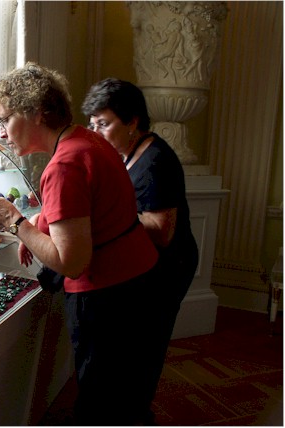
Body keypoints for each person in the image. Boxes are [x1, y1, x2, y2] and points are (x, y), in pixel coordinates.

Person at [0, 62, 160, 425]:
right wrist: (38, 223)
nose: (2, 132)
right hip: (136, 283)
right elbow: (84, 206)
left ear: (36, 112)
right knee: (127, 395)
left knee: (101, 404)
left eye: (6, 119)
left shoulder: (64, 165)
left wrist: (16, 222)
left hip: (108, 296)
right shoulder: (86, 140)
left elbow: (71, 263)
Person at [82, 77, 199, 424]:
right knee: (131, 352)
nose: (96, 133)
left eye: (104, 124)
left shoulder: (156, 160)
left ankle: (135, 416)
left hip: (168, 267)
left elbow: (161, 231)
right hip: (147, 266)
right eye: (92, 125)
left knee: (145, 350)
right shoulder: (126, 153)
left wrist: (105, 214)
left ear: (132, 122)